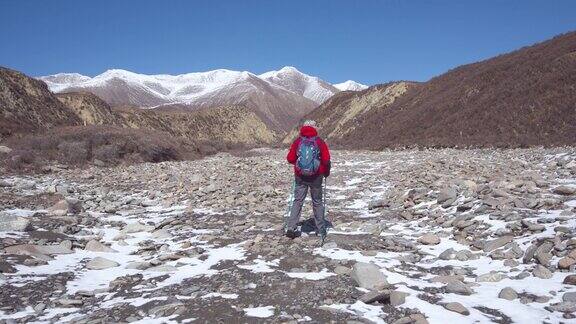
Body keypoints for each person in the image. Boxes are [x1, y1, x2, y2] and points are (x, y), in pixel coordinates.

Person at [286, 120, 331, 239]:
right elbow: (326, 160)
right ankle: (320, 230)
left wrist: (299, 162)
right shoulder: (319, 142)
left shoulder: (298, 141)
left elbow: (290, 159)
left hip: (300, 177)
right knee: (317, 202)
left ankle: (291, 227)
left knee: (298, 201)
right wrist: (326, 172)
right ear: (314, 128)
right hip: (316, 177)